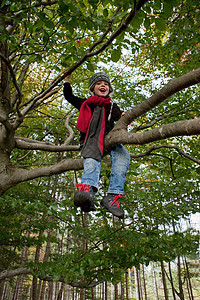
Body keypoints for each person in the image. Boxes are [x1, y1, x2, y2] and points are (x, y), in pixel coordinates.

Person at [63, 71, 130, 218]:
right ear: (93, 88)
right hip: (91, 139)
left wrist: (126, 117)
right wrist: (67, 81)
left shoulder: (112, 106)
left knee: (123, 155)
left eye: (106, 84)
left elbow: (121, 118)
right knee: (92, 160)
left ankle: (113, 196)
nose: (103, 86)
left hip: (109, 139)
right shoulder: (86, 104)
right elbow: (69, 96)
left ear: (109, 89)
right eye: (99, 83)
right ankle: (87, 189)